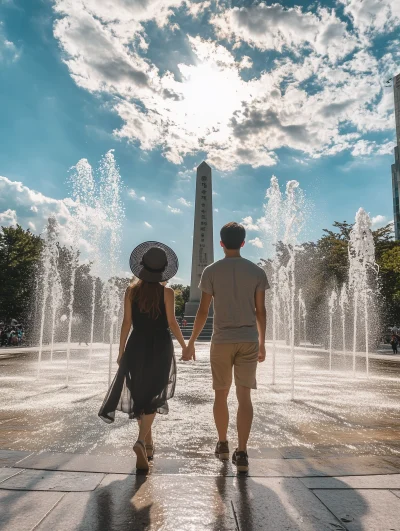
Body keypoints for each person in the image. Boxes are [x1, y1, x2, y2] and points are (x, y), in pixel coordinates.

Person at [182, 222, 269, 473]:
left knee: (220, 394)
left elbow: (203, 310)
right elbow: (260, 311)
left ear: (221, 243)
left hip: (221, 340)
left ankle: (222, 444)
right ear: (243, 243)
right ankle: (242, 452)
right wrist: (262, 342)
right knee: (245, 397)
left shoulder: (210, 271)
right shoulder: (256, 272)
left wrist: (190, 344)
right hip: (249, 339)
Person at [98, 242, 186, 471]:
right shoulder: (166, 292)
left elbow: (126, 323)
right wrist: (186, 346)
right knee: (155, 394)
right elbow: (171, 322)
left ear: (142, 267)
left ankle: (147, 443)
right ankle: (141, 441)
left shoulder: (131, 291)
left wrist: (120, 351)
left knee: (141, 393)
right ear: (163, 270)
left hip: (136, 344)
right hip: (160, 345)